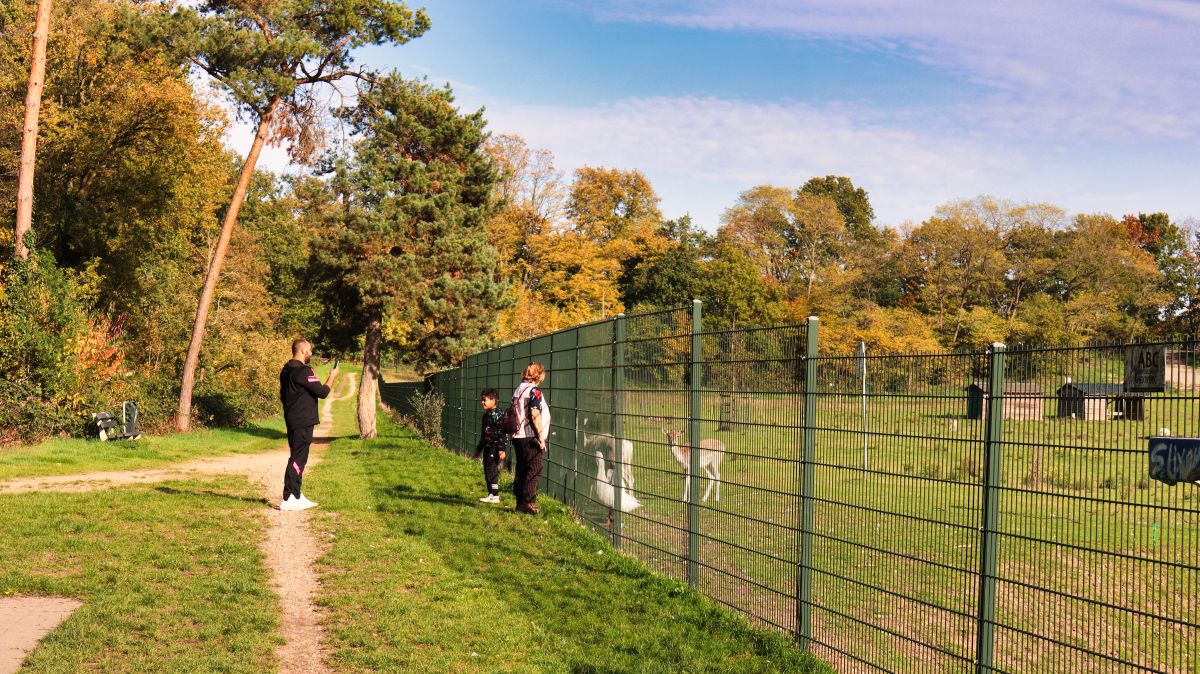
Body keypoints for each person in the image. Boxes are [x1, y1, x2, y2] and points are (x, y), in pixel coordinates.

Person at [278, 339, 338, 511]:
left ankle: (296, 494)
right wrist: (332, 377)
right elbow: (322, 392)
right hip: (302, 421)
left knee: (297, 456)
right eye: (310, 350)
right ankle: (289, 497)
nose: (311, 353)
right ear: (303, 350)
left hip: (292, 419)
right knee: (298, 458)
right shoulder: (304, 371)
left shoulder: (286, 370)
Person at [510, 362, 550, 514]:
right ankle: (529, 501)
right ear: (538, 375)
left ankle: (519, 502)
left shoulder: (519, 389)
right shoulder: (534, 391)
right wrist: (540, 436)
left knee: (521, 468)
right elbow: (534, 414)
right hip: (529, 435)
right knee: (535, 467)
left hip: (517, 436)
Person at [473, 388, 507, 503]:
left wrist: (501, 449)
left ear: (493, 401)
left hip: (495, 448)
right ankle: (491, 494)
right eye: (481, 400)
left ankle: (495, 496)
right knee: (487, 470)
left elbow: (502, 433)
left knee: (492, 471)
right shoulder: (486, 416)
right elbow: (483, 434)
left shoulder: (498, 415)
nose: (482, 402)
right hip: (487, 448)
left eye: (484, 400)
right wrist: (479, 449)